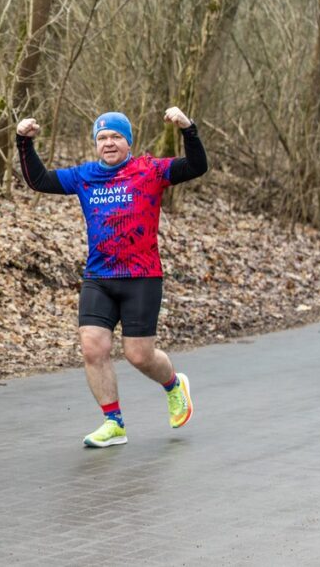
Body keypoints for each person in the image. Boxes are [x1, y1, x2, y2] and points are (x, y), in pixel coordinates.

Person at [15, 107, 208, 448]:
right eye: (102, 137)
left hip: (141, 277)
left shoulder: (150, 170)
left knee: (139, 355)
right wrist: (23, 142)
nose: (108, 143)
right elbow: (39, 181)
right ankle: (113, 422)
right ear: (95, 143)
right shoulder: (84, 176)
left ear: (128, 141)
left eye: (116, 136)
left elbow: (196, 166)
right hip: (99, 276)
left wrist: (187, 129)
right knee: (93, 347)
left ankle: (174, 385)